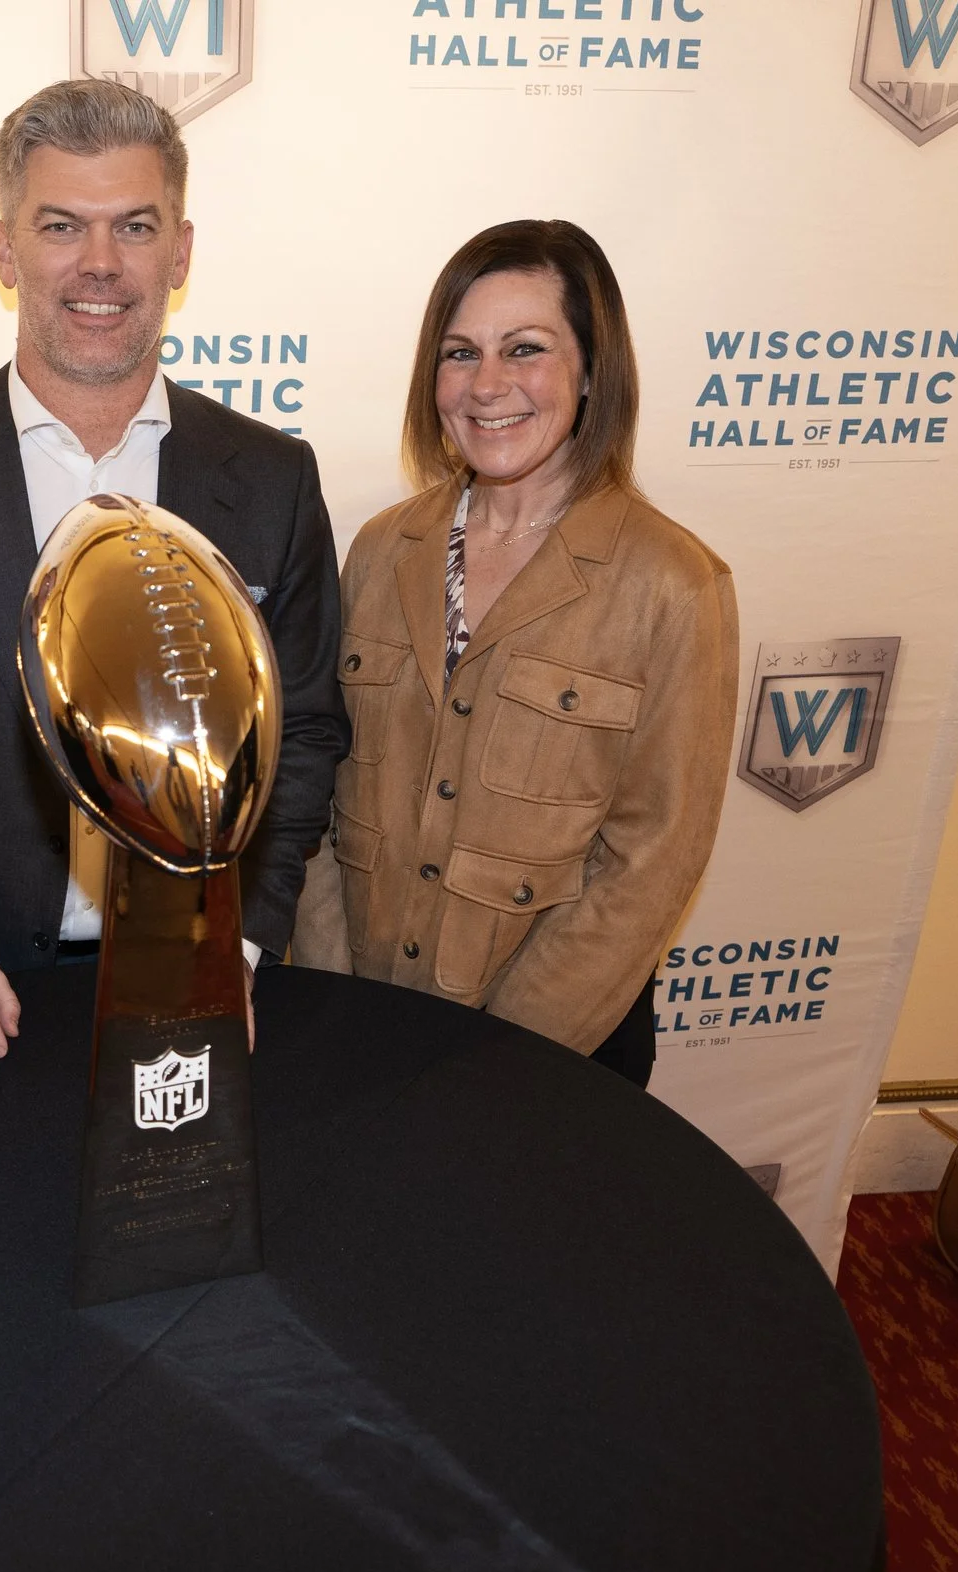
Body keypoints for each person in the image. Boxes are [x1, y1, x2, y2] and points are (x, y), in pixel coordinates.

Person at [0, 79, 349, 1077]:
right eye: (60, 226)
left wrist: (239, 945)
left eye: (134, 224)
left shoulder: (271, 478)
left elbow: (301, 738)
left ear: (180, 249)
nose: (99, 264)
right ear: (6, 250)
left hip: (203, 993)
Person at [293, 220, 737, 1088]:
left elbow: (650, 860)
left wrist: (502, 1060)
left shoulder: (676, 585)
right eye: (460, 354)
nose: (487, 385)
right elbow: (319, 787)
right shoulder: (379, 551)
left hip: (548, 1062)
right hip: (356, 1020)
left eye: (524, 348)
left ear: (592, 369)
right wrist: (332, 991)